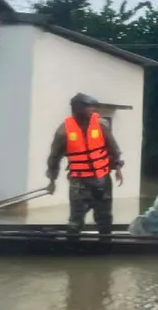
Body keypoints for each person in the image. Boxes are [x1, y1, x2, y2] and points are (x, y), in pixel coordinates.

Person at [45, 93, 124, 235]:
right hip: (80, 182)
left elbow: (113, 148)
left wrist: (118, 168)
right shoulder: (63, 131)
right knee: (76, 220)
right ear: (77, 108)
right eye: (88, 106)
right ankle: (73, 248)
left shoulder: (101, 125)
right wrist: (52, 180)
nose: (92, 109)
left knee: (105, 218)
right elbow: (54, 158)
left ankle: (106, 246)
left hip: (102, 179)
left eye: (93, 106)